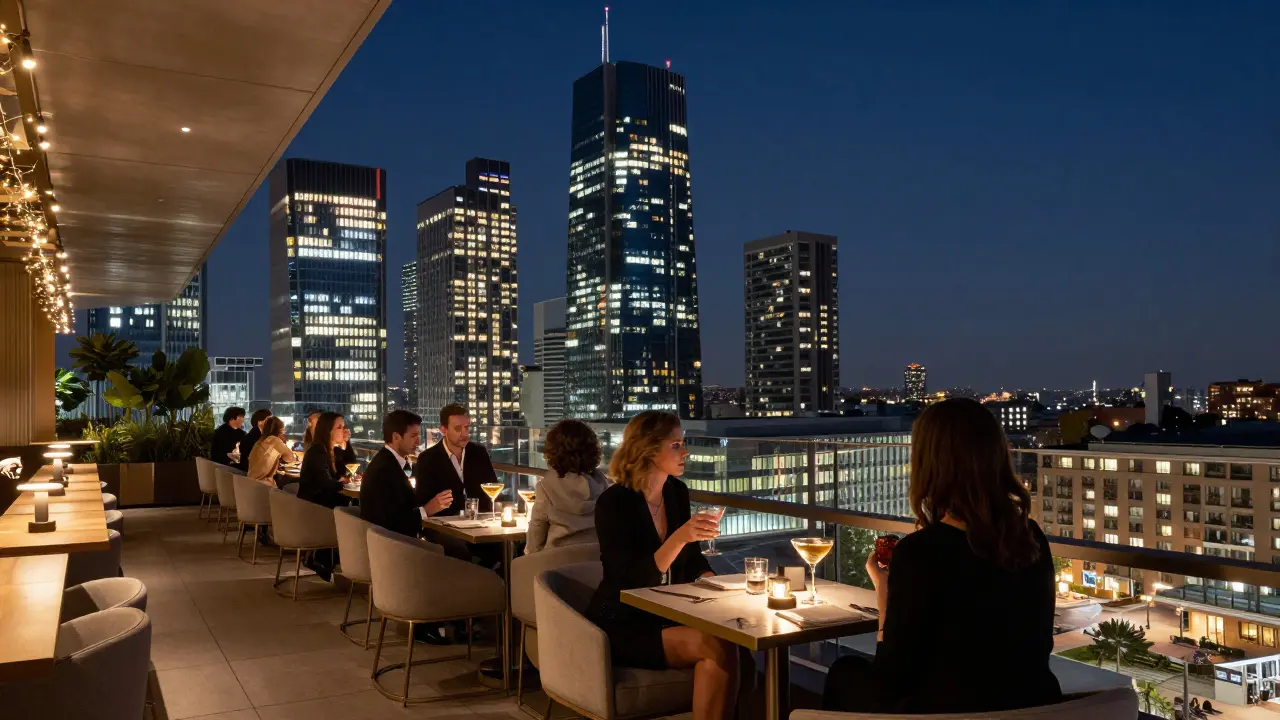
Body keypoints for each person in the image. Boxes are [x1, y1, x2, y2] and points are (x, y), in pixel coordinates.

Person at [822, 398, 1061, 715]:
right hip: (1033, 706)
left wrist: (885, 598)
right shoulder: (1029, 537)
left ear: (928, 463)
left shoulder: (921, 551)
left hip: (949, 711)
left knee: (845, 672)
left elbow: (891, 680)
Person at [586, 411, 738, 720]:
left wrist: (718, 586)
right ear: (648, 448)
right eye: (677, 445)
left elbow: (693, 560)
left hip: (666, 615)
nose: (686, 452)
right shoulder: (614, 503)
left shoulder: (676, 492)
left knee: (734, 639)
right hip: (622, 620)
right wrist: (680, 537)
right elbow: (626, 578)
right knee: (716, 647)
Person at [360, 409, 452, 538]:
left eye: (419, 435)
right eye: (413, 436)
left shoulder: (387, 461)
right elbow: (392, 521)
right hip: (393, 546)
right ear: (396, 437)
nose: (418, 441)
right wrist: (428, 509)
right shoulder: (384, 470)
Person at [524, 418, 608, 554]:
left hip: (555, 568)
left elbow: (535, 540)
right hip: (596, 566)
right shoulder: (603, 484)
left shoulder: (546, 487)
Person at [414, 404, 500, 516]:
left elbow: (492, 487)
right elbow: (423, 504)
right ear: (443, 430)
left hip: (480, 523)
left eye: (467, 427)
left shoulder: (479, 452)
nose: (465, 434)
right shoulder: (427, 459)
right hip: (444, 527)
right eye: (458, 429)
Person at [296, 412, 352, 581]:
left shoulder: (328, 450)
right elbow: (326, 482)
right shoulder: (318, 451)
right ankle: (325, 560)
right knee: (350, 515)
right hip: (314, 509)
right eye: (339, 427)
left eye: (344, 427)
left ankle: (332, 562)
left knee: (348, 509)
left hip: (320, 505)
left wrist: (346, 444)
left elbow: (348, 467)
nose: (343, 431)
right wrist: (343, 483)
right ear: (328, 430)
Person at [246, 416, 295, 488]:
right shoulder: (275, 440)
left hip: (249, 482)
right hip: (263, 485)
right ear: (281, 430)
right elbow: (290, 458)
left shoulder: (260, 441)